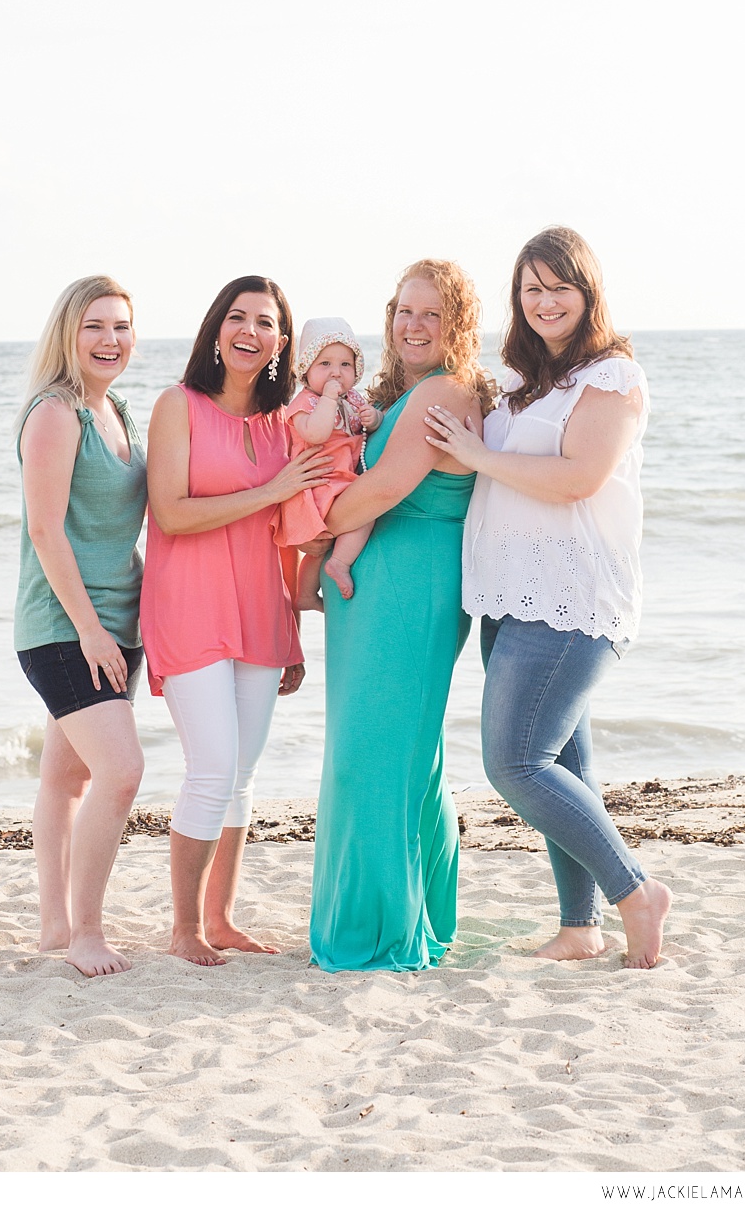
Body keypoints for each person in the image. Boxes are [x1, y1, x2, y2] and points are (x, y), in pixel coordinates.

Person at [425, 225, 673, 969]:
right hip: (510, 597)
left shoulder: (612, 377)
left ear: (586, 290)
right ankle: (580, 925)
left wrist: (479, 455)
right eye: (531, 288)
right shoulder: (520, 381)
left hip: (572, 599)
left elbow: (577, 478)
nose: (544, 301)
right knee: (568, 763)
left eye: (558, 285)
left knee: (516, 762)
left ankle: (636, 892)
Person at [308, 260, 497, 972]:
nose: (413, 325)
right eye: (403, 311)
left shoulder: (446, 392)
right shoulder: (400, 394)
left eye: (432, 314)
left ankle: (383, 930)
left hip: (411, 586)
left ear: (457, 328)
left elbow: (381, 490)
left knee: (375, 757)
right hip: (375, 591)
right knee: (407, 759)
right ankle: (424, 911)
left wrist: (303, 514)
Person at [141, 275, 332, 967]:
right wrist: (271, 488)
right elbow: (170, 512)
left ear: (283, 342)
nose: (250, 330)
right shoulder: (177, 405)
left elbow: (291, 530)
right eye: (238, 317)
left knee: (242, 773)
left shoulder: (287, 422)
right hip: (188, 605)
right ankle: (183, 926)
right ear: (216, 328)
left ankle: (219, 919)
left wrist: (295, 634)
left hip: (262, 610)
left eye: (267, 322)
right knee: (212, 765)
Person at [14, 275, 148, 978]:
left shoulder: (118, 409)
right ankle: (86, 933)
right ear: (69, 333)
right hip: (66, 625)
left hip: (118, 621)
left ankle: (54, 922)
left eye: (122, 326)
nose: (110, 339)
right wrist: (92, 631)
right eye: (96, 325)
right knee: (121, 772)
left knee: (65, 776)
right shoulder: (56, 413)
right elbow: (45, 529)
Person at [274, 317, 383, 610]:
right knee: (366, 512)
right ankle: (340, 563)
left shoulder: (352, 399)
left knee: (317, 550)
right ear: (306, 371)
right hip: (320, 484)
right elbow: (317, 433)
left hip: (339, 480)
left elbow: (365, 423)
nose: (336, 373)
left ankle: (306, 594)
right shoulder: (305, 403)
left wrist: (375, 418)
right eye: (325, 365)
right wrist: (329, 399)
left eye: (345, 365)